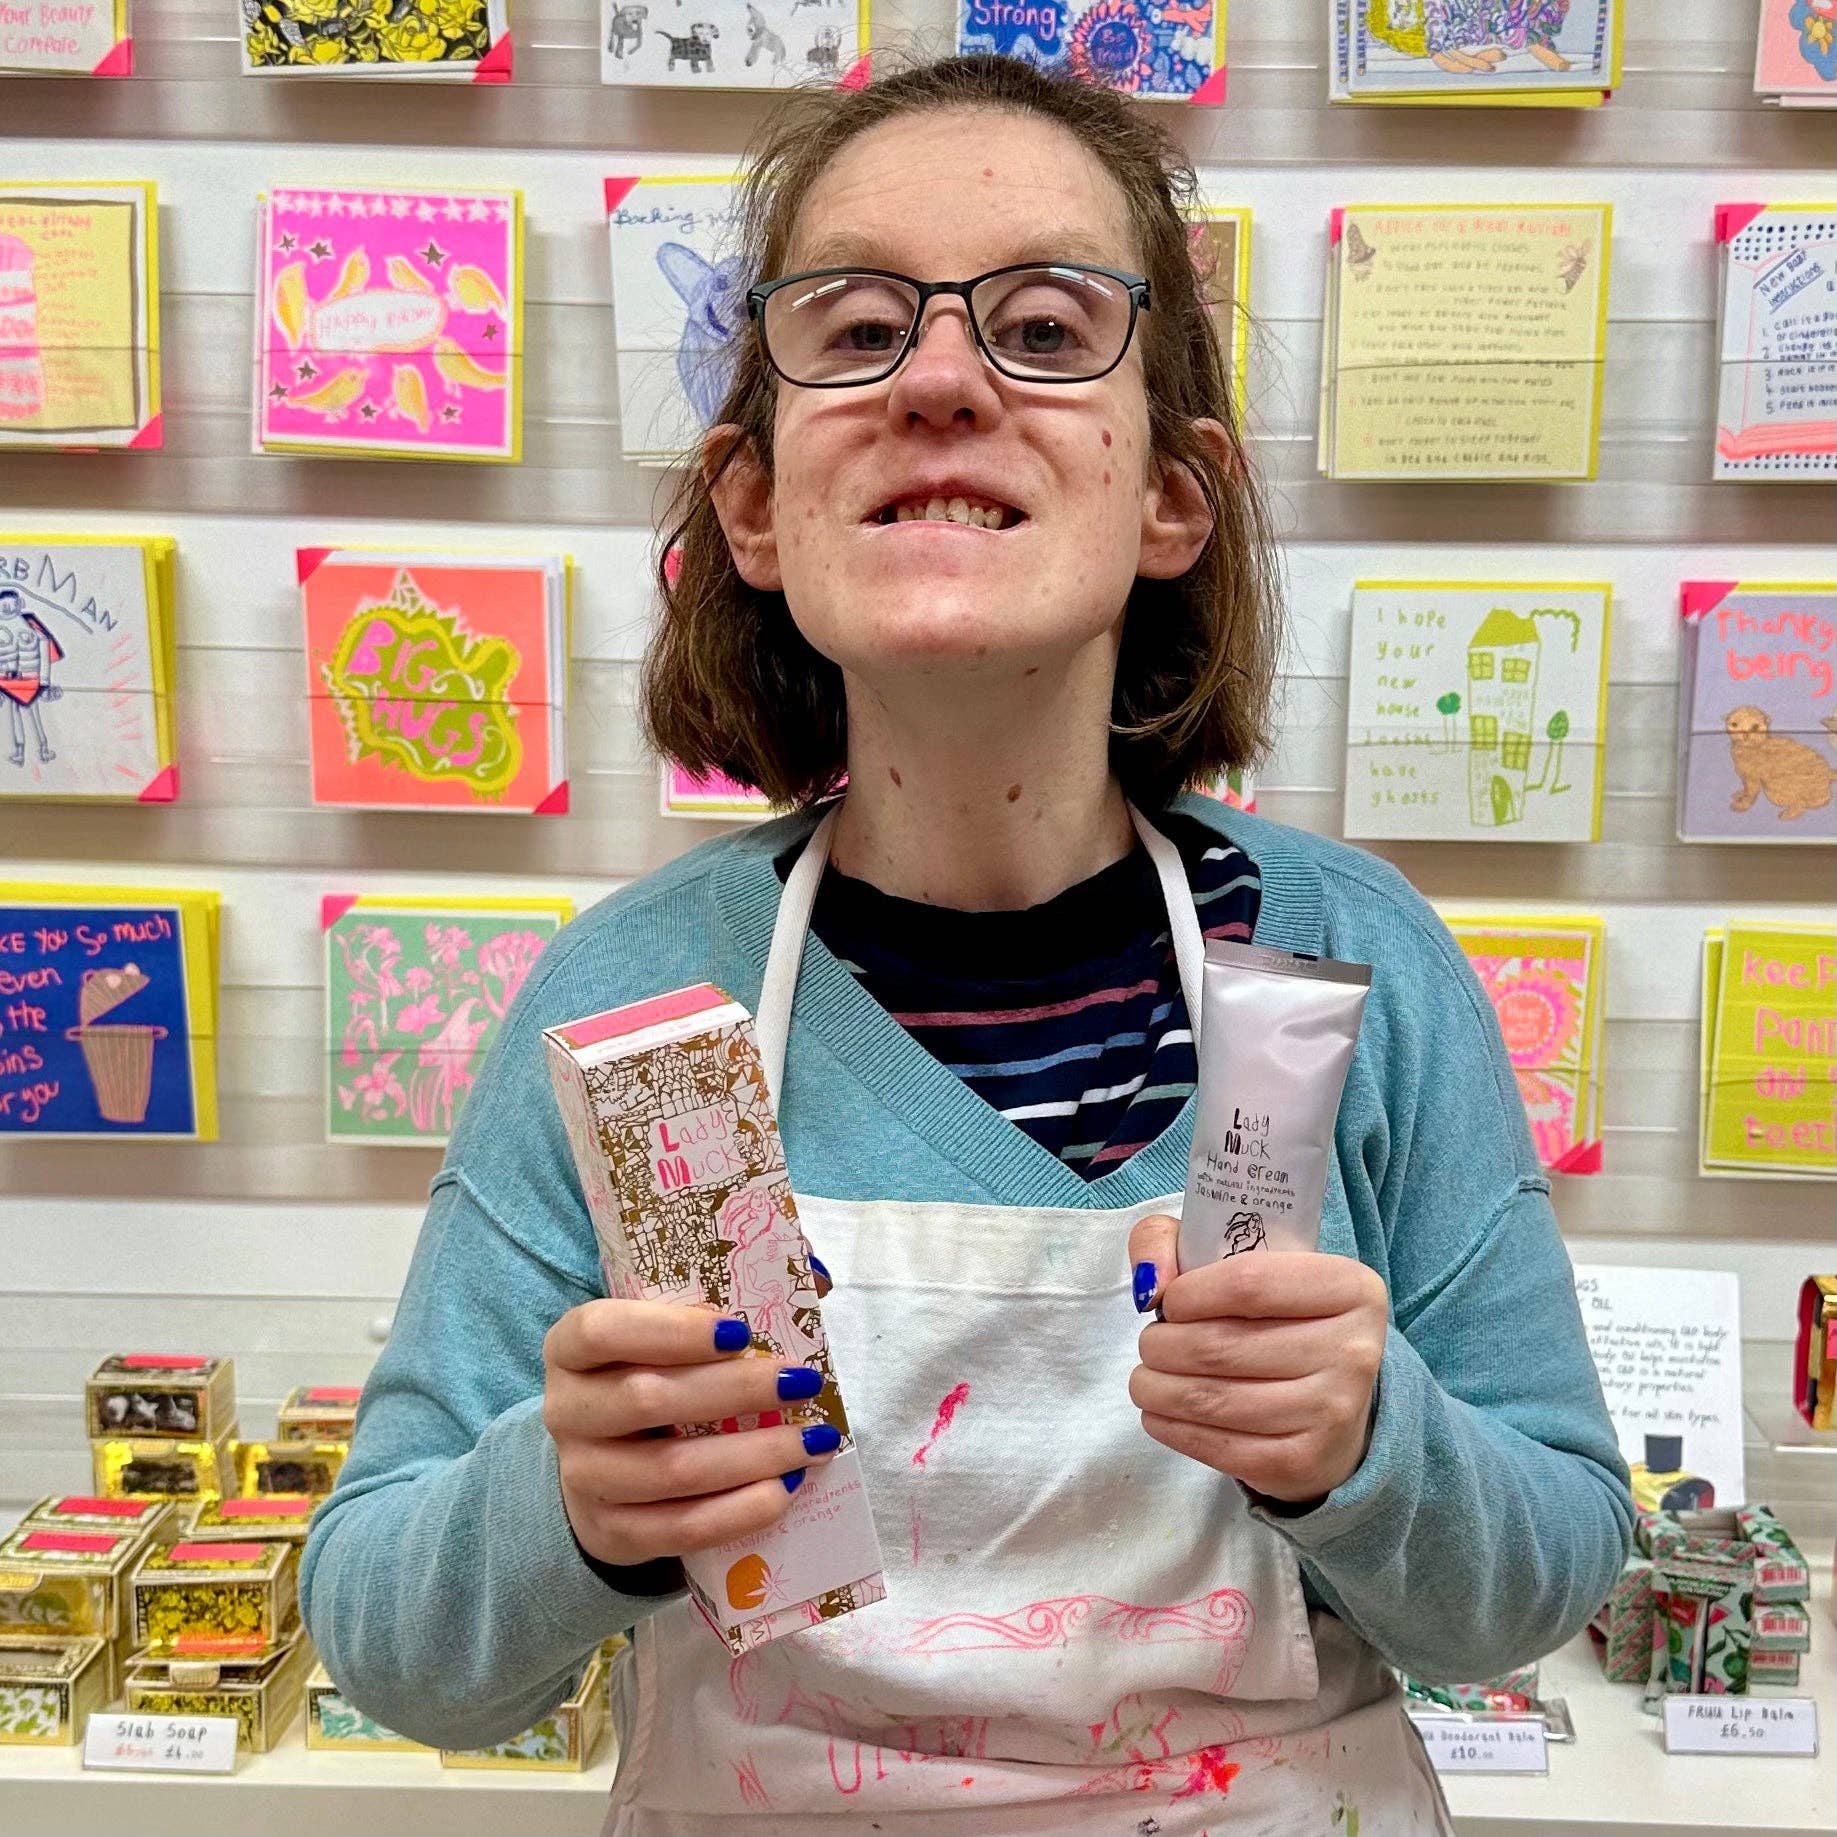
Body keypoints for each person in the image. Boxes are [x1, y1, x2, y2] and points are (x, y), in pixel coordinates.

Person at [302, 54, 1632, 1835]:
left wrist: (1372, 1443)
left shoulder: (1344, 961)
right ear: (753, 508)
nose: (939, 377)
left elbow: (1550, 1571)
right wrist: (568, 1504)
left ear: (1173, 496)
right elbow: (391, 1641)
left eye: (1045, 322)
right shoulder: (632, 1002)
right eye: (852, 331)